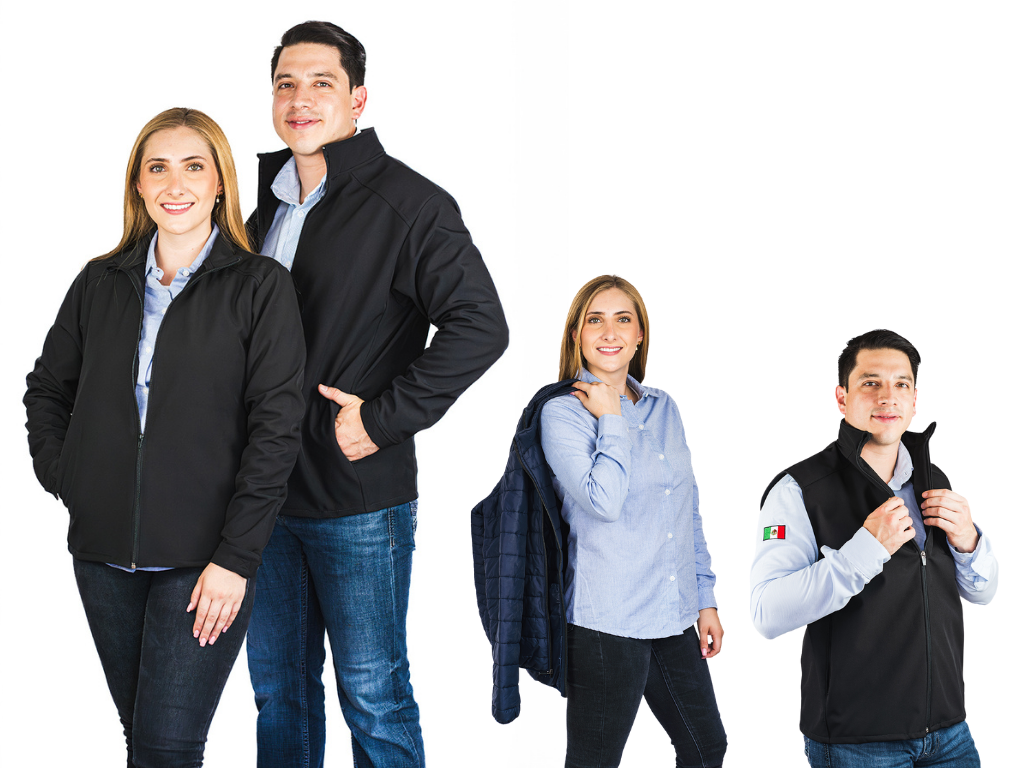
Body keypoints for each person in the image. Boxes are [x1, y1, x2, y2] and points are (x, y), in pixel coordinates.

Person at [245, 21, 508, 768]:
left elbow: (481, 325)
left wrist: (385, 419)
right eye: (286, 84)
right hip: (261, 499)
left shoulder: (409, 204)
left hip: (357, 499)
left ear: (358, 100)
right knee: (280, 697)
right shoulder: (263, 208)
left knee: (374, 696)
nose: (300, 99)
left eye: (321, 83)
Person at [24, 107, 306, 767]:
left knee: (167, 748)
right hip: (104, 557)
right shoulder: (100, 282)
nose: (175, 184)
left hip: (203, 561)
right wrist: (71, 477)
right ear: (139, 185)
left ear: (219, 183)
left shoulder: (260, 286)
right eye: (158, 168)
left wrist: (237, 559)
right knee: (143, 741)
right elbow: (48, 389)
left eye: (193, 167)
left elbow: (275, 429)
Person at [750, 329, 998, 767]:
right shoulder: (799, 489)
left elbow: (982, 592)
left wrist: (969, 542)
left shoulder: (933, 479)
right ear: (842, 398)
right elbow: (767, 612)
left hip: (949, 733)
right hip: (858, 743)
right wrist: (864, 549)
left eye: (901, 384)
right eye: (871, 383)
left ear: (915, 400)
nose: (888, 397)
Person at [539, 275, 727, 768]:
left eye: (623, 319)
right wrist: (610, 417)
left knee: (706, 747)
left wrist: (704, 598)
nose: (610, 332)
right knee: (595, 762)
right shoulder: (561, 413)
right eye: (595, 320)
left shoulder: (664, 407)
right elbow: (603, 501)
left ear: (640, 334)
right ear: (577, 334)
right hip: (608, 621)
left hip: (672, 613)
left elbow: (684, 508)